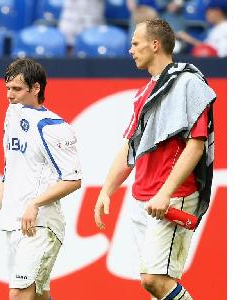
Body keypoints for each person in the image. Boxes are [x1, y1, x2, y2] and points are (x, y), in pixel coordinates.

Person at [94, 19, 215, 300]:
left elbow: (196, 147)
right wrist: (106, 190)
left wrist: (165, 193)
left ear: (155, 44)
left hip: (171, 198)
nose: (131, 49)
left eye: (136, 43)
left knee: (154, 280)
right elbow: (129, 147)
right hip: (143, 200)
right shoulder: (143, 93)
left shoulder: (188, 84)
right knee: (161, 286)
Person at [0, 58, 82, 300]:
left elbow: (73, 180)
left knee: (19, 293)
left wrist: (35, 204)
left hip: (41, 224)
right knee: (38, 294)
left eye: (16, 89)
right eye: (7, 88)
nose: (9, 95)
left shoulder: (53, 127)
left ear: (36, 88)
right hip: (14, 223)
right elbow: (10, 173)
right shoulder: (12, 115)